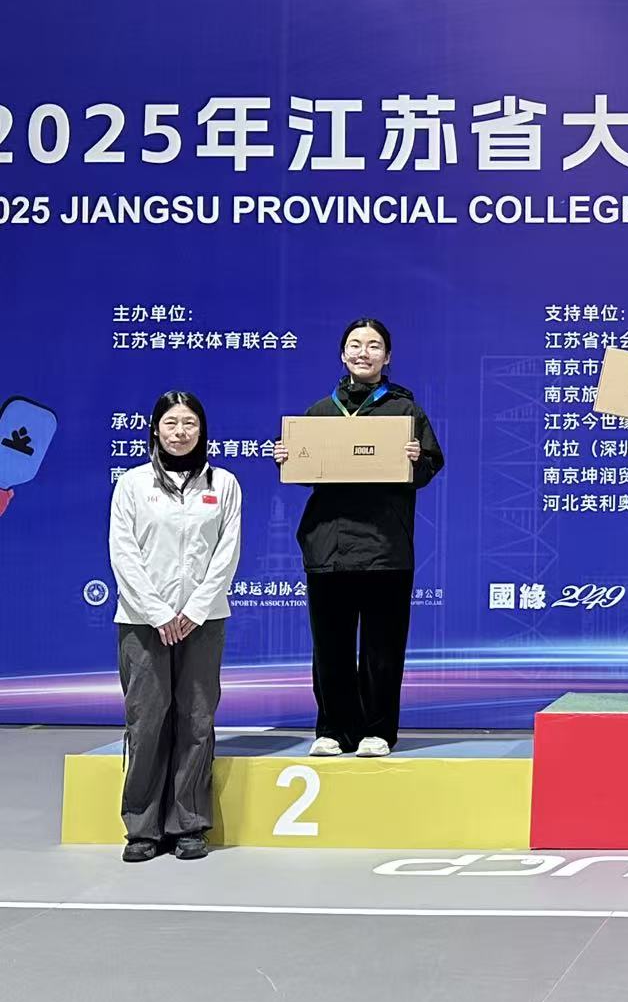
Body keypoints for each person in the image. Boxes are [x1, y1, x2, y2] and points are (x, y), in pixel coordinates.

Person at [272, 318, 443, 758]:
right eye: (355, 345)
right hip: (327, 544)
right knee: (330, 645)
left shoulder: (405, 411)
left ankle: (378, 731)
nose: (363, 352)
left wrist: (417, 459)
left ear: (387, 357)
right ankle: (334, 729)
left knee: (382, 647)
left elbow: (430, 466)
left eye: (373, 345)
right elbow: (304, 469)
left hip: (385, 546)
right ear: (342, 354)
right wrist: (286, 456)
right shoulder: (319, 412)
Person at [108, 391, 242, 863]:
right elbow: (123, 552)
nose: (180, 432)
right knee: (146, 721)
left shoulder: (224, 483)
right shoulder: (132, 483)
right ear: (155, 429)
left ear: (202, 430)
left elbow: (227, 552)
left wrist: (196, 609)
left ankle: (189, 824)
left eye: (189, 423)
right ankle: (141, 828)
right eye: (171, 423)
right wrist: (159, 612)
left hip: (202, 621)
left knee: (196, 720)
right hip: (143, 621)